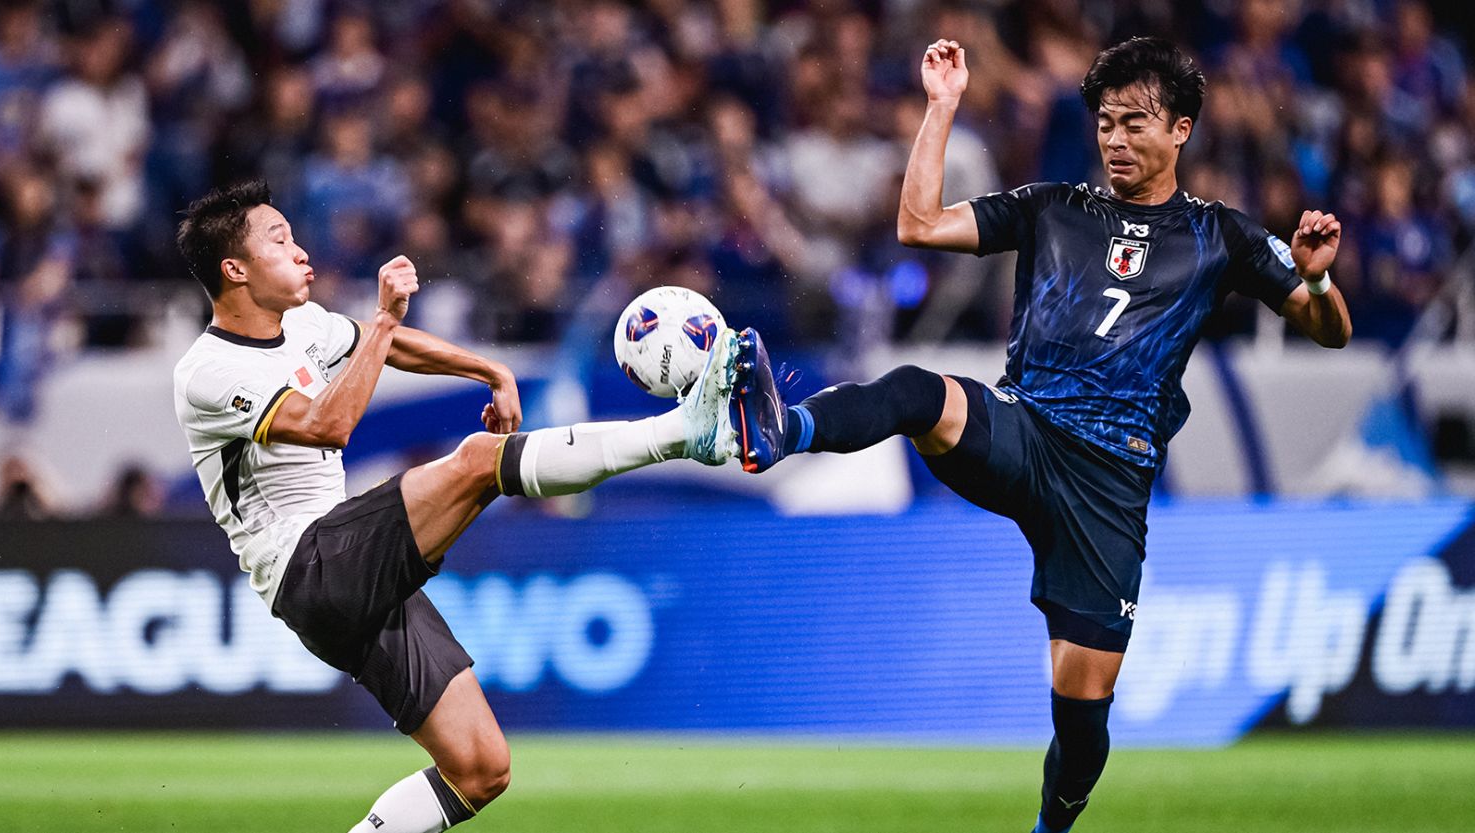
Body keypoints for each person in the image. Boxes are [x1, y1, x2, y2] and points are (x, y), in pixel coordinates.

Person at [729, 37, 1351, 833]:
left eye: (1135, 123)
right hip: (1025, 429)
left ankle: (1053, 822)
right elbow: (919, 224)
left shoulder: (1220, 236)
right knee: (922, 390)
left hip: (1110, 485)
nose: (1115, 140)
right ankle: (787, 429)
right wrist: (942, 107)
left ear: (1182, 131)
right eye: (1105, 123)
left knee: (1082, 716)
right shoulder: (1053, 207)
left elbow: (1327, 329)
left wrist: (1317, 276)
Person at [171, 180, 740, 833]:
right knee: (475, 463)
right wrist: (387, 318)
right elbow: (328, 423)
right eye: (279, 240)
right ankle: (684, 431)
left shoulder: (299, 325)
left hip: (351, 580)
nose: (301, 252)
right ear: (234, 269)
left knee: (480, 769)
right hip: (311, 565)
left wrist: (488, 370)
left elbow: (377, 346)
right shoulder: (208, 371)